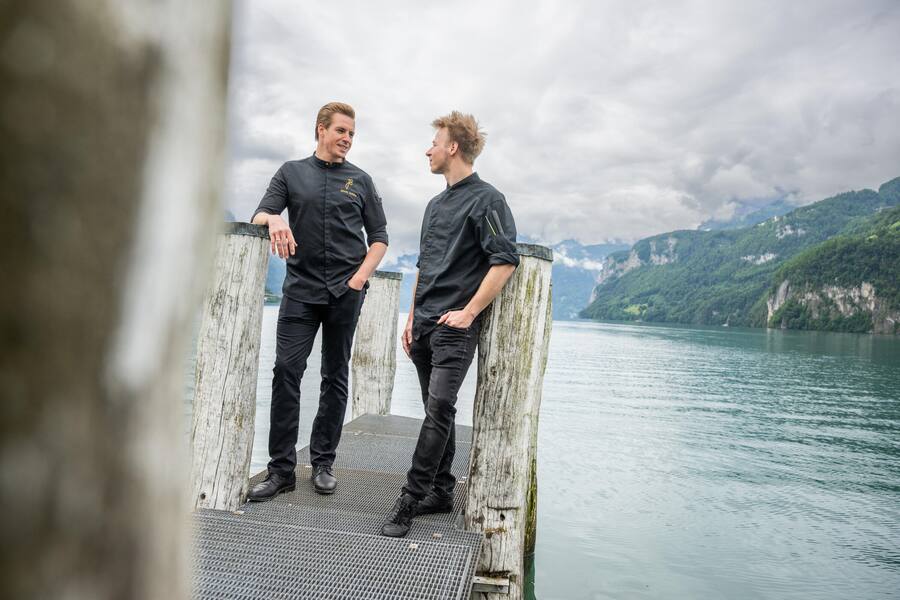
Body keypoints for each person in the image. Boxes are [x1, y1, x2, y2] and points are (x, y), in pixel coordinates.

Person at [381, 111, 518, 537]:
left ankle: (409, 496)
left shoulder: (488, 200)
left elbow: (505, 260)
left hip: (455, 326)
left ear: (452, 147)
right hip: (423, 322)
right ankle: (440, 491)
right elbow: (424, 264)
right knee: (433, 411)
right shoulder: (434, 205)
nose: (429, 150)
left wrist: (469, 312)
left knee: (439, 408)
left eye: (434, 143)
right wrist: (409, 317)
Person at [247, 102, 388, 500]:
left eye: (352, 134)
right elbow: (260, 213)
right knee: (286, 372)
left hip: (347, 292)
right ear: (321, 129)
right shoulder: (291, 173)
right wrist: (275, 219)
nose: (347, 139)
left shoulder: (361, 180)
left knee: (334, 375)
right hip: (300, 293)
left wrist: (359, 280)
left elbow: (379, 238)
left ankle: (323, 463)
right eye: (341, 131)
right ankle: (281, 472)